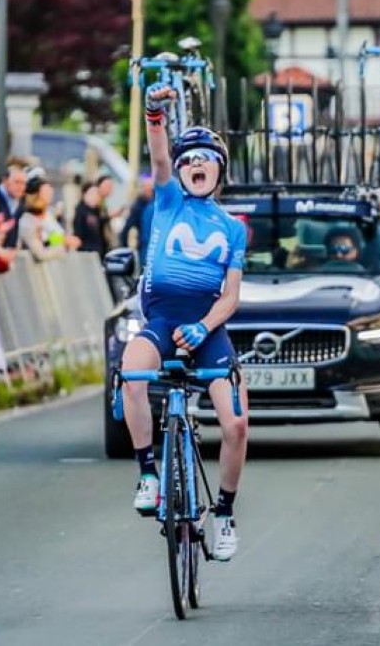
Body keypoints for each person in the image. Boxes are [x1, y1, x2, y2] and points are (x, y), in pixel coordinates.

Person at [119, 82, 249, 562]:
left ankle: (225, 513)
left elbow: (231, 295)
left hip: (207, 328)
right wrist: (155, 112)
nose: (196, 164)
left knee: (235, 424)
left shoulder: (232, 228)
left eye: (206, 158)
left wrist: (204, 326)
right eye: (188, 158)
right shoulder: (167, 202)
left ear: (219, 171)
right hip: (160, 319)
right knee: (131, 374)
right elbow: (156, 157)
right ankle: (149, 474)